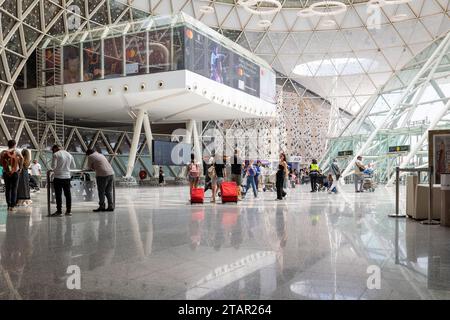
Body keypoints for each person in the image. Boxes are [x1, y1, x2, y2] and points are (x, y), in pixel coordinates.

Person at [50, 145, 76, 217]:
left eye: (53, 150)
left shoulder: (56, 154)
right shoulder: (69, 154)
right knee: (68, 195)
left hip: (58, 177)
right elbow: (73, 166)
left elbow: (53, 167)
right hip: (67, 177)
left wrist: (56, 169)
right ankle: (68, 211)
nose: (53, 151)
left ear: (55, 149)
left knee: (58, 195)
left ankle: (59, 211)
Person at [0, 140, 23, 211]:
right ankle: (12, 206)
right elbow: (22, 158)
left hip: (6, 172)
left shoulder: (3, 152)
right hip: (15, 172)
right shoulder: (17, 151)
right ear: (15, 145)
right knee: (14, 188)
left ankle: (8, 205)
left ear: (8, 145)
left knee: (8, 189)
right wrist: (21, 168)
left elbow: (1, 162)